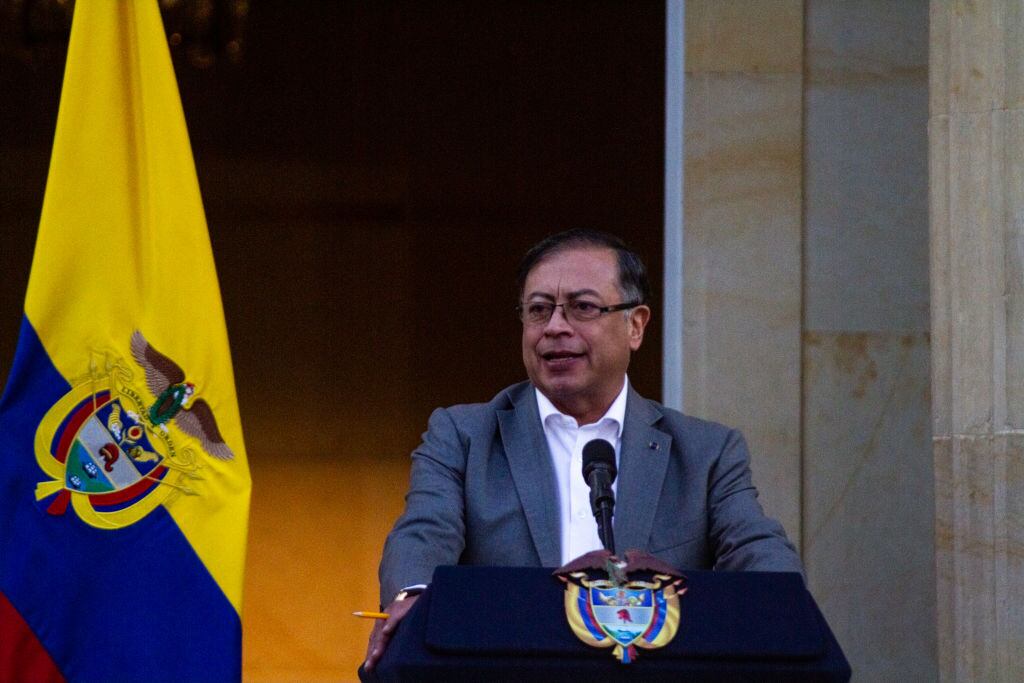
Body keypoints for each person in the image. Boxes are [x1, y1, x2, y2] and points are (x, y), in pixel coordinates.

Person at [364, 230, 802, 671]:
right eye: (538, 310)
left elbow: (757, 549)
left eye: (583, 307)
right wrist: (414, 596)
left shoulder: (707, 452)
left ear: (635, 325)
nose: (555, 327)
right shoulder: (463, 435)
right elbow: (424, 532)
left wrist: (782, 604)